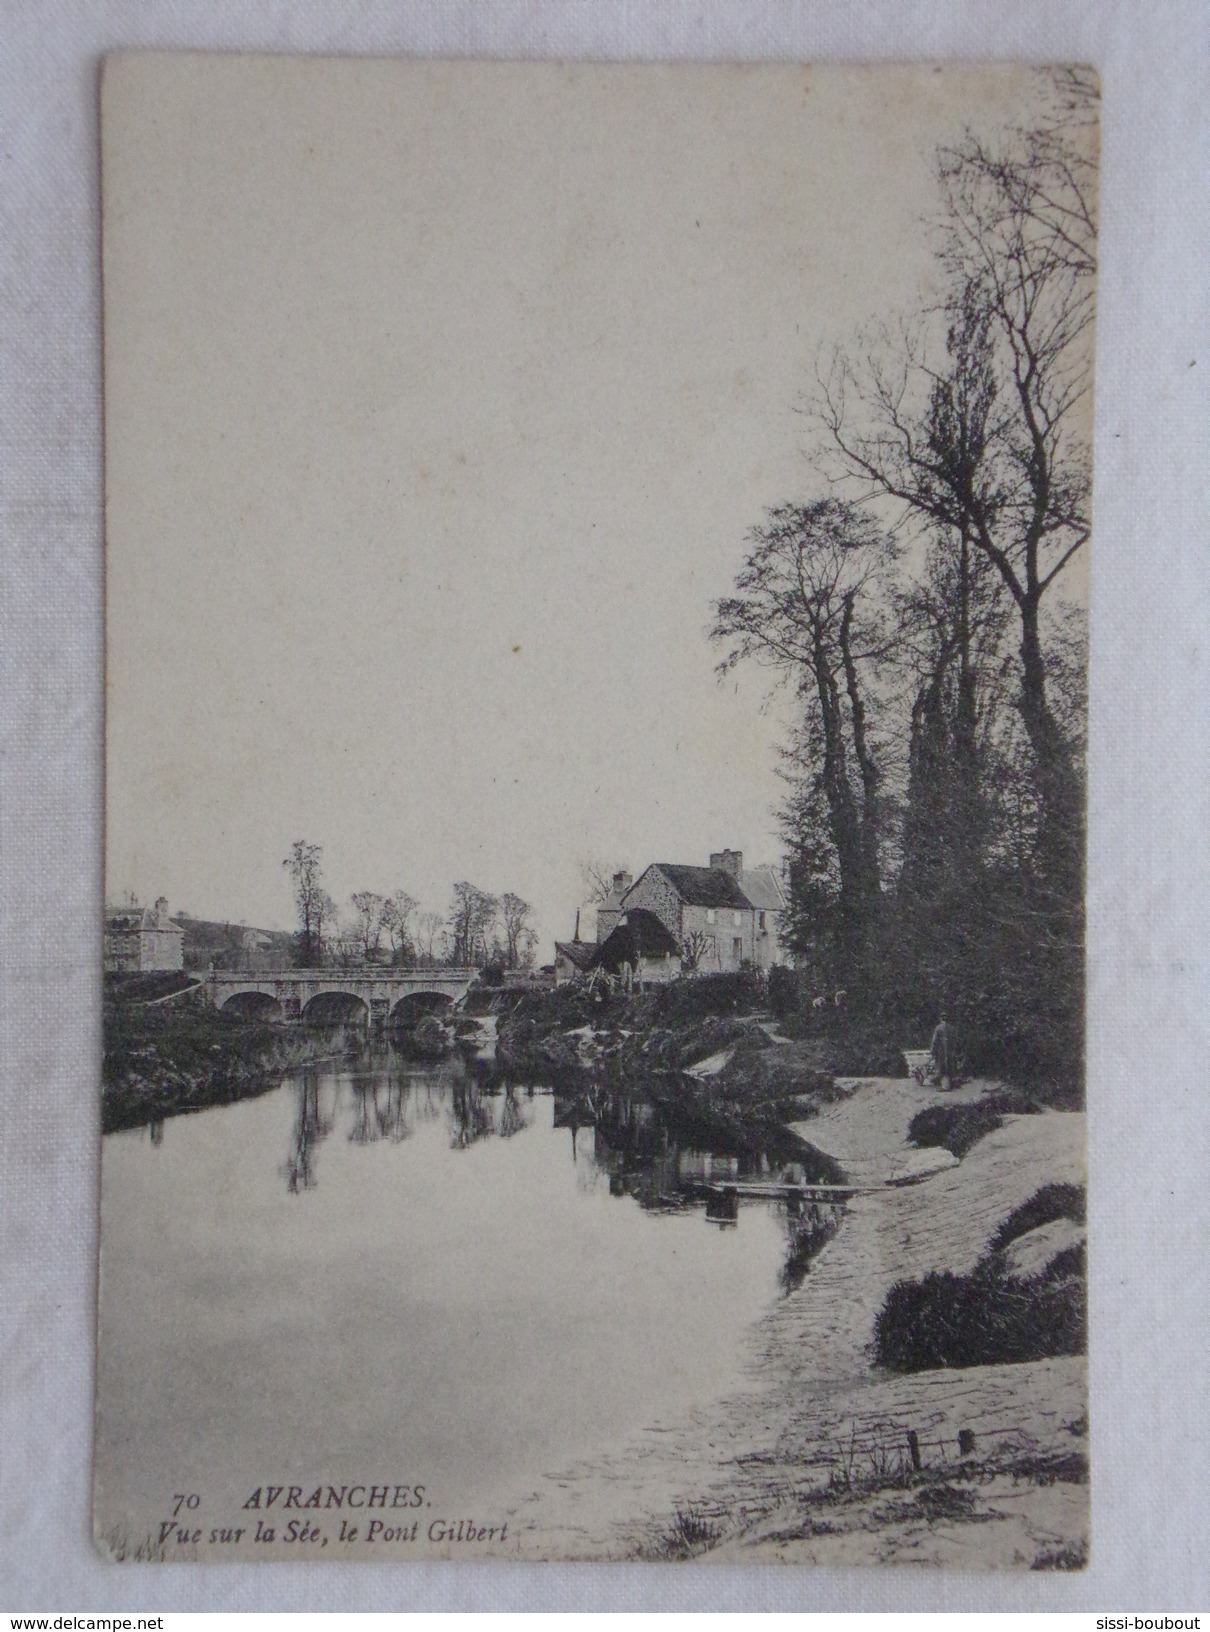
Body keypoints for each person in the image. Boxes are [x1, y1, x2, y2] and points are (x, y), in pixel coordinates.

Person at [930, 1013, 955, 1091]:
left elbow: (934, 1040)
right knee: (949, 1067)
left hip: (940, 1051)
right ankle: (949, 1084)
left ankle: (941, 1086)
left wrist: (932, 1050)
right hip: (950, 1051)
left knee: (940, 1067)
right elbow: (955, 1041)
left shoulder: (938, 1028)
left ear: (941, 1019)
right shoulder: (952, 1028)